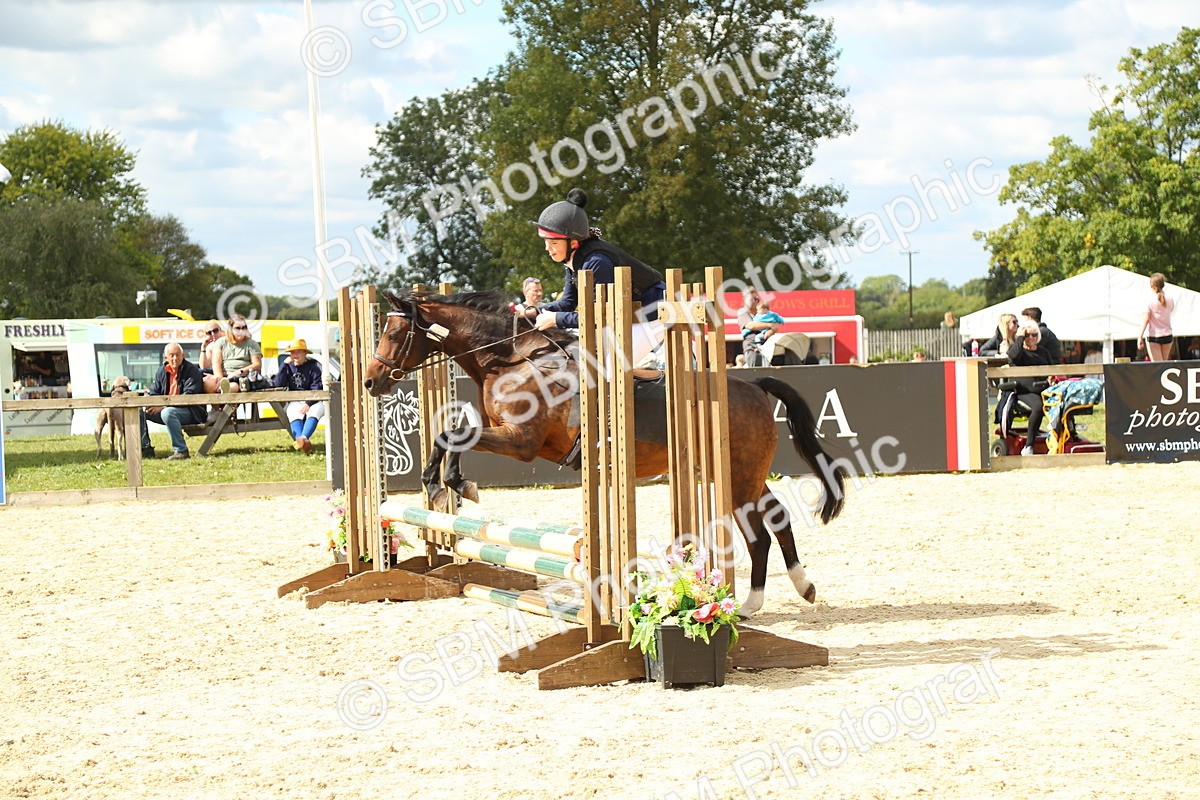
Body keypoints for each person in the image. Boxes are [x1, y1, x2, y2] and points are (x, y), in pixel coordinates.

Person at [527, 189, 667, 366]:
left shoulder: (597, 263)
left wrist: (556, 319)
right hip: (633, 315)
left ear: (573, 242)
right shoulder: (573, 260)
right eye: (546, 242)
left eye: (554, 243)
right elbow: (567, 303)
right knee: (596, 364)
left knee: (609, 369)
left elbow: (600, 317)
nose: (548, 248)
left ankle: (657, 384)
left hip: (656, 313)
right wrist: (535, 312)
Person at [140, 342, 207, 460]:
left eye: (177, 355)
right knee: (139, 411)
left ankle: (181, 451)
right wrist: (151, 404)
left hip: (192, 412)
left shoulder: (192, 371)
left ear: (183, 355)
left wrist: (162, 407)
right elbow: (154, 392)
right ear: (166, 357)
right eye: (171, 355)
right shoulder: (161, 371)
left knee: (168, 412)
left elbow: (187, 397)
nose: (175, 358)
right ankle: (145, 449)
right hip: (167, 410)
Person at [1007, 322, 1054, 456]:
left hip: (1045, 389)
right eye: (1027, 335)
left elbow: (1052, 369)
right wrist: (1020, 337)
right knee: (1038, 406)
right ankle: (1029, 446)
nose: (1031, 338)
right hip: (1025, 391)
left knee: (1063, 404)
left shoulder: (1043, 352)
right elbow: (1014, 356)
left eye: (1034, 335)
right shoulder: (1018, 351)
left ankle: (1060, 441)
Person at [273, 339, 325, 455]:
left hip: (313, 400)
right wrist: (284, 365)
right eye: (292, 352)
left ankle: (303, 438)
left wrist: (308, 403)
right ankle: (303, 442)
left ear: (305, 353)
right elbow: (277, 384)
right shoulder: (287, 367)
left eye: (298, 352)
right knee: (292, 412)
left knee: (316, 410)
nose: (295, 355)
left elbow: (316, 387)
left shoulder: (313, 368)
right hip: (295, 400)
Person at [212, 314, 264, 393]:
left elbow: (257, 365)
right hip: (222, 377)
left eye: (244, 328)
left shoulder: (252, 344)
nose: (241, 331)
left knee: (234, 386)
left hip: (242, 378)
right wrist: (221, 380)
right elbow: (216, 363)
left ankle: (223, 390)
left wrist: (239, 372)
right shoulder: (220, 342)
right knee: (207, 384)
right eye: (237, 328)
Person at [1138, 272, 1175, 362]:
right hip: (1167, 334)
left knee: (1157, 365)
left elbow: (1146, 319)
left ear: (1151, 285)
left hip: (1154, 335)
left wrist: (1140, 336)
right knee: (1164, 364)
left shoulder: (1149, 300)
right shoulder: (1170, 299)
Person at [197, 319, 227, 393]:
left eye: (215, 330)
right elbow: (204, 367)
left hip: (227, 370)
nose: (213, 334)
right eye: (209, 333)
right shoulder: (210, 347)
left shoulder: (228, 342)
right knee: (199, 373)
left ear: (220, 330)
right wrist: (203, 348)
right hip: (215, 373)